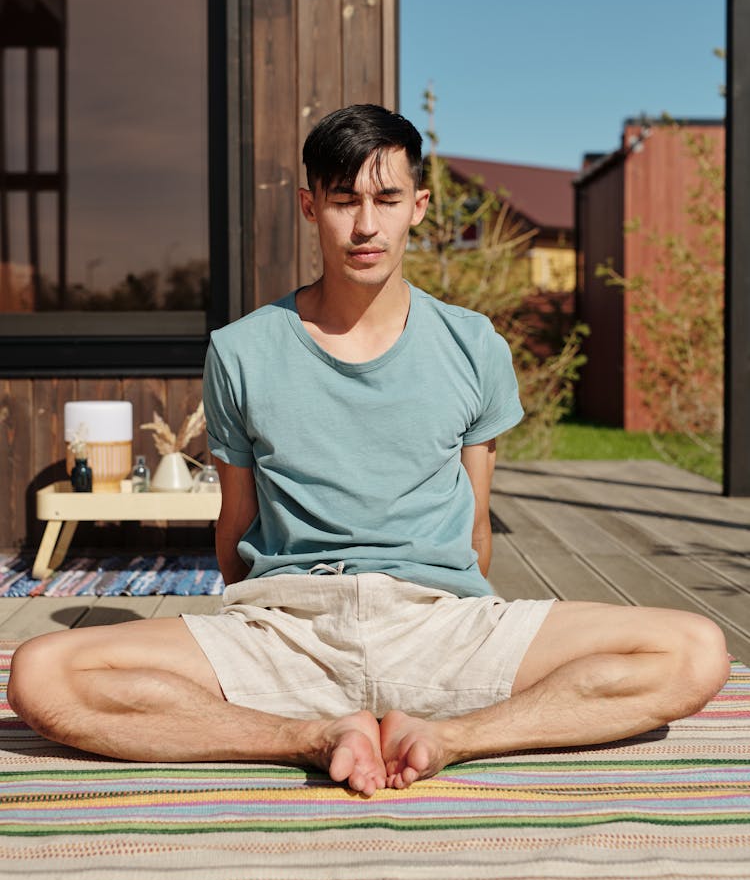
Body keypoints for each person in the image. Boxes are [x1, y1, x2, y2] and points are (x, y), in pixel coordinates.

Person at [8, 105, 729, 797]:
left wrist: (455, 630)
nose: (364, 223)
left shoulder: (474, 346)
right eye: (344, 199)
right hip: (290, 629)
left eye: (386, 198)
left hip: (439, 625)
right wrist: (252, 640)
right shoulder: (240, 351)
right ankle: (311, 738)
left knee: (697, 651)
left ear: (419, 204)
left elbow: (476, 533)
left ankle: (452, 736)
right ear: (308, 205)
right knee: (40, 674)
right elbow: (235, 531)